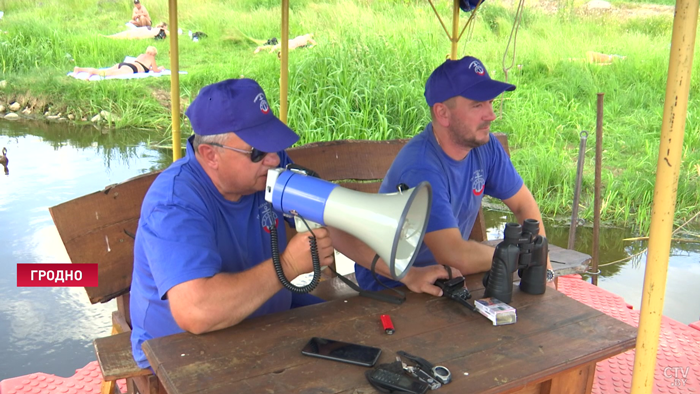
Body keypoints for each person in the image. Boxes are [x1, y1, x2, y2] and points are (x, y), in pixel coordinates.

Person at [128, 78, 339, 369]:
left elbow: (332, 213)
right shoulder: (174, 203)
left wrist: (404, 273)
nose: (274, 159)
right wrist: (287, 266)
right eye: (257, 152)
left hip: (265, 322)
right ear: (210, 155)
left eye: (273, 144)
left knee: (362, 334)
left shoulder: (268, 168)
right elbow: (196, 311)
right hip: (183, 349)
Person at [353, 55, 555, 293]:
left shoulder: (485, 145)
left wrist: (545, 270)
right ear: (443, 114)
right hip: (392, 285)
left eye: (490, 102)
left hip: (448, 276)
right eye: (478, 105)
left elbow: (524, 205)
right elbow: (455, 254)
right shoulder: (421, 166)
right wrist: (518, 258)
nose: (491, 115)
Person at [73, 46, 165, 78]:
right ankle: (93, 72)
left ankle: (79, 69)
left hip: (125, 64)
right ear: (153, 54)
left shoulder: (141, 55)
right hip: (131, 68)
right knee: (107, 73)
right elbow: (156, 70)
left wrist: (150, 68)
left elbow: (145, 66)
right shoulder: (151, 58)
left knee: (107, 70)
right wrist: (160, 68)